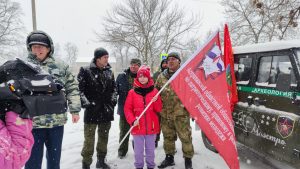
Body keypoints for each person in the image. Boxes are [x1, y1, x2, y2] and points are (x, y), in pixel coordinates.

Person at [24, 30, 81, 169]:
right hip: (32, 123)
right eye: (34, 46)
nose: (38, 49)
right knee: (32, 161)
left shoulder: (60, 66)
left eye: (41, 46)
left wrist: (75, 110)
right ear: (30, 48)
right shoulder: (23, 66)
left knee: (54, 161)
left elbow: (72, 87)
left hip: (56, 122)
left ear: (49, 48)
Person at [77, 47, 117, 169]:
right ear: (98, 58)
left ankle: (101, 161)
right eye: (105, 57)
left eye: (107, 57)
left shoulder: (109, 71)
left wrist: (113, 100)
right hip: (92, 111)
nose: (107, 59)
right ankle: (86, 163)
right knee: (89, 140)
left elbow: (114, 89)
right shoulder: (85, 70)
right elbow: (80, 91)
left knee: (103, 138)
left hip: (106, 110)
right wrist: (87, 104)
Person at [156, 52, 194, 169]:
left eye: (173, 59)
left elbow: (192, 94)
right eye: (168, 60)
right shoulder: (161, 76)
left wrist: (192, 110)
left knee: (185, 137)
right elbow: (156, 93)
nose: (170, 61)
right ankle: (169, 158)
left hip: (181, 114)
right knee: (168, 137)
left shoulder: (185, 75)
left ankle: (188, 159)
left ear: (179, 61)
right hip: (166, 114)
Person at [124, 65, 162, 169]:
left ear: (148, 77)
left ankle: (150, 166)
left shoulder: (154, 91)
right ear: (137, 77)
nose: (142, 78)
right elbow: (127, 109)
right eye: (140, 76)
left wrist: (157, 99)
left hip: (151, 127)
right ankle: (139, 166)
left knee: (150, 150)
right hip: (137, 126)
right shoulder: (132, 92)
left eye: (144, 76)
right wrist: (132, 120)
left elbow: (158, 109)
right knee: (138, 151)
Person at [116, 58, 141, 158]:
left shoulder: (142, 77)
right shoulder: (121, 76)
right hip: (124, 110)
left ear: (139, 66)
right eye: (132, 64)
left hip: (138, 110)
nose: (133, 66)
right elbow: (115, 90)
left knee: (138, 132)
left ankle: (138, 151)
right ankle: (122, 151)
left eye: (136, 64)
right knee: (124, 131)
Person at [152, 58, 168, 148]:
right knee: (157, 124)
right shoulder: (157, 75)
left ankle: (169, 144)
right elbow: (153, 88)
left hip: (169, 104)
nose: (165, 65)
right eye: (163, 63)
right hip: (158, 103)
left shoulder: (173, 75)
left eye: (166, 63)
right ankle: (155, 140)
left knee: (168, 126)